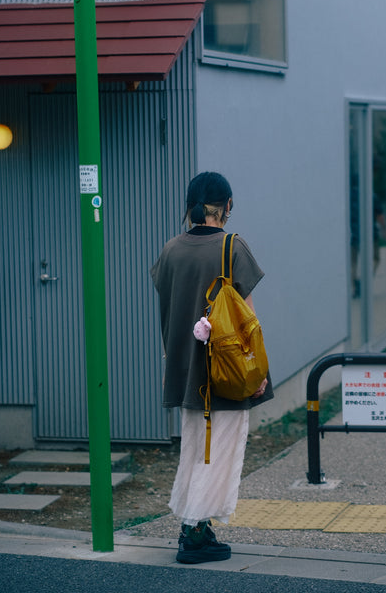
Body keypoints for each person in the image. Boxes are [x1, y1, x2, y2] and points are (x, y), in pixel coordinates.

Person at [150, 171, 273, 564]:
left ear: (191, 207)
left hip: (185, 371)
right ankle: (194, 533)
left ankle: (195, 527)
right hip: (225, 372)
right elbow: (247, 321)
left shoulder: (170, 250)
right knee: (217, 451)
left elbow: (170, 311)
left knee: (195, 450)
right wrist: (258, 373)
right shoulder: (232, 247)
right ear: (227, 206)